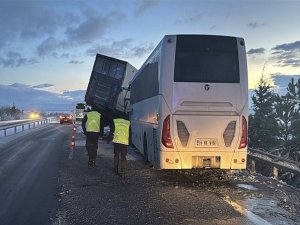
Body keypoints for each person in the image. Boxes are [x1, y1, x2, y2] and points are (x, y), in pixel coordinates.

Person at [110, 115, 130, 179]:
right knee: (123, 157)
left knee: (116, 155)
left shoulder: (115, 122)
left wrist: (110, 138)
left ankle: (116, 169)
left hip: (117, 142)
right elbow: (130, 133)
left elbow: (112, 131)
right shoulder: (127, 123)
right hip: (124, 142)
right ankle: (123, 171)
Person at [82, 104, 102, 168]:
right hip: (96, 133)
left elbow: (83, 123)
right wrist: (101, 133)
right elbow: (101, 125)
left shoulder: (88, 114)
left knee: (88, 146)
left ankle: (90, 158)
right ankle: (93, 159)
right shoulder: (99, 115)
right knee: (95, 147)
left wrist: (85, 131)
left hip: (89, 132)